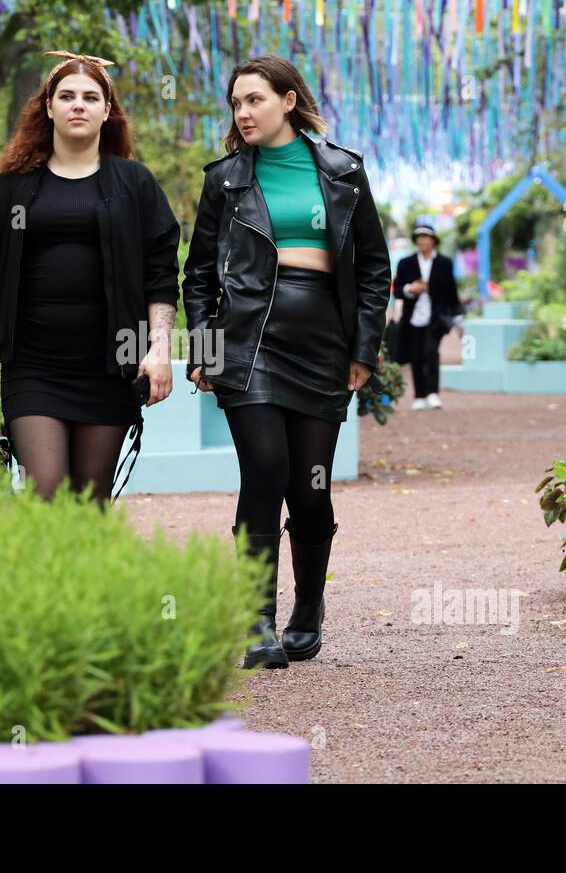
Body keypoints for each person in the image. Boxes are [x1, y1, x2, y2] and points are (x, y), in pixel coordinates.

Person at [182, 55, 392, 670]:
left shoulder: (343, 171)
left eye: (254, 100)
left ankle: (308, 609)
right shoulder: (225, 180)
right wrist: (204, 347)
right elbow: (197, 275)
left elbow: (374, 266)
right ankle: (256, 621)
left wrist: (363, 348)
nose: (243, 113)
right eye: (236, 104)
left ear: (288, 101)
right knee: (264, 469)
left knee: (311, 487)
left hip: (323, 342)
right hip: (247, 342)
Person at [0, 50, 181, 506]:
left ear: (106, 110)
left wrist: (160, 348)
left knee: (89, 501)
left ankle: (81, 581)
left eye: (89, 96)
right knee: (46, 491)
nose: (77, 105)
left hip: (110, 368)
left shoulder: (134, 184)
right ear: (48, 107)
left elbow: (160, 276)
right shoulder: (13, 187)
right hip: (34, 366)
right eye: (66, 96)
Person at [393, 218, 464, 410]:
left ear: (433, 240)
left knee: (431, 352)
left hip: (436, 317)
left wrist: (458, 319)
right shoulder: (405, 263)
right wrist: (410, 288)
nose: (422, 241)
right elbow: (397, 290)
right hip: (413, 317)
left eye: (426, 237)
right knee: (416, 355)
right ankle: (419, 395)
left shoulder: (444, 263)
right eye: (419, 237)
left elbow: (452, 292)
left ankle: (433, 393)